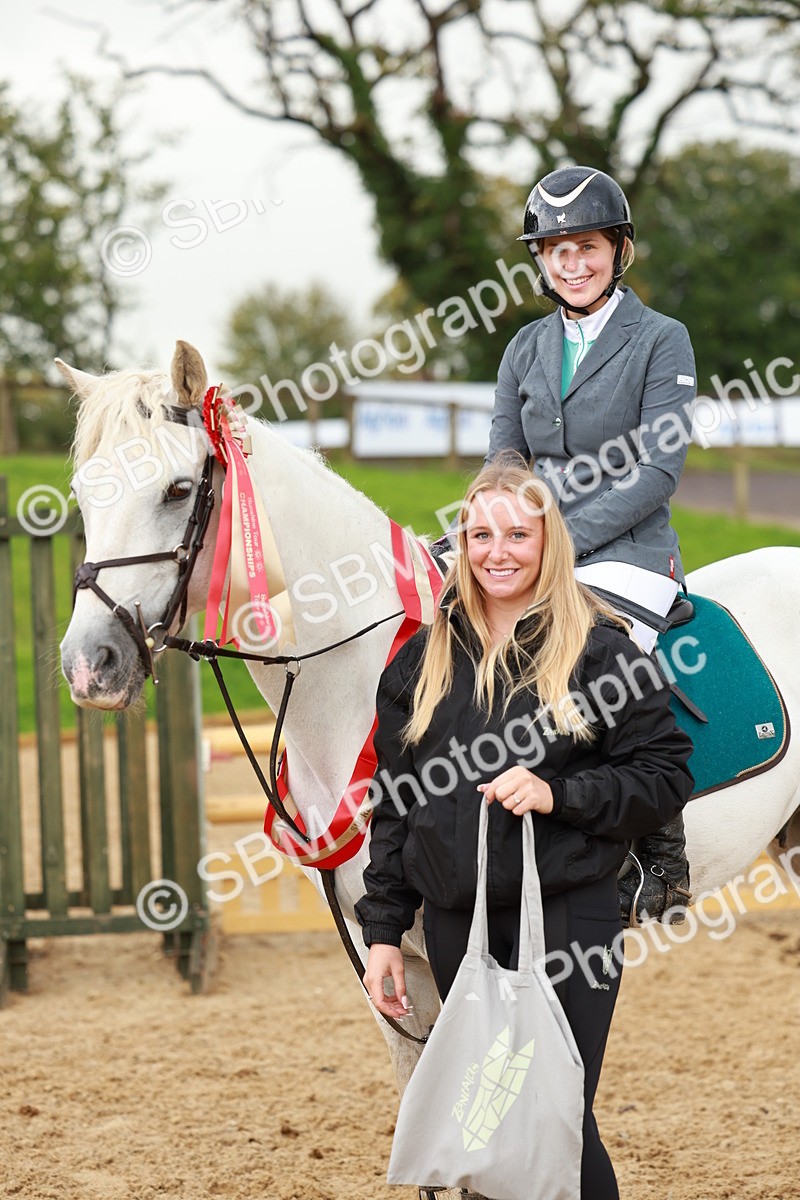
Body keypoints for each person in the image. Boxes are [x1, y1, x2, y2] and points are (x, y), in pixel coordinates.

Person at [355, 456, 694, 1200]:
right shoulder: (420, 661)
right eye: (480, 535)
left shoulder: (599, 651)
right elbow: (396, 806)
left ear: (548, 543)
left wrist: (558, 793)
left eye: (517, 534)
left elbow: (665, 774)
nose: (497, 552)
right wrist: (383, 931)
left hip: (568, 919)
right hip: (458, 924)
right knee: (489, 1124)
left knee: (554, 1117)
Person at [479, 164, 698, 915]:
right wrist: (481, 534)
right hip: (534, 546)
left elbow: (657, 472)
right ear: (542, 261)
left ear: (618, 251)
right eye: (558, 250)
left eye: (588, 248)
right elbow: (503, 463)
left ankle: (661, 853)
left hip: (630, 553)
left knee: (593, 652)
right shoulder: (524, 348)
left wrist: (558, 542)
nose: (573, 264)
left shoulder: (662, 340)